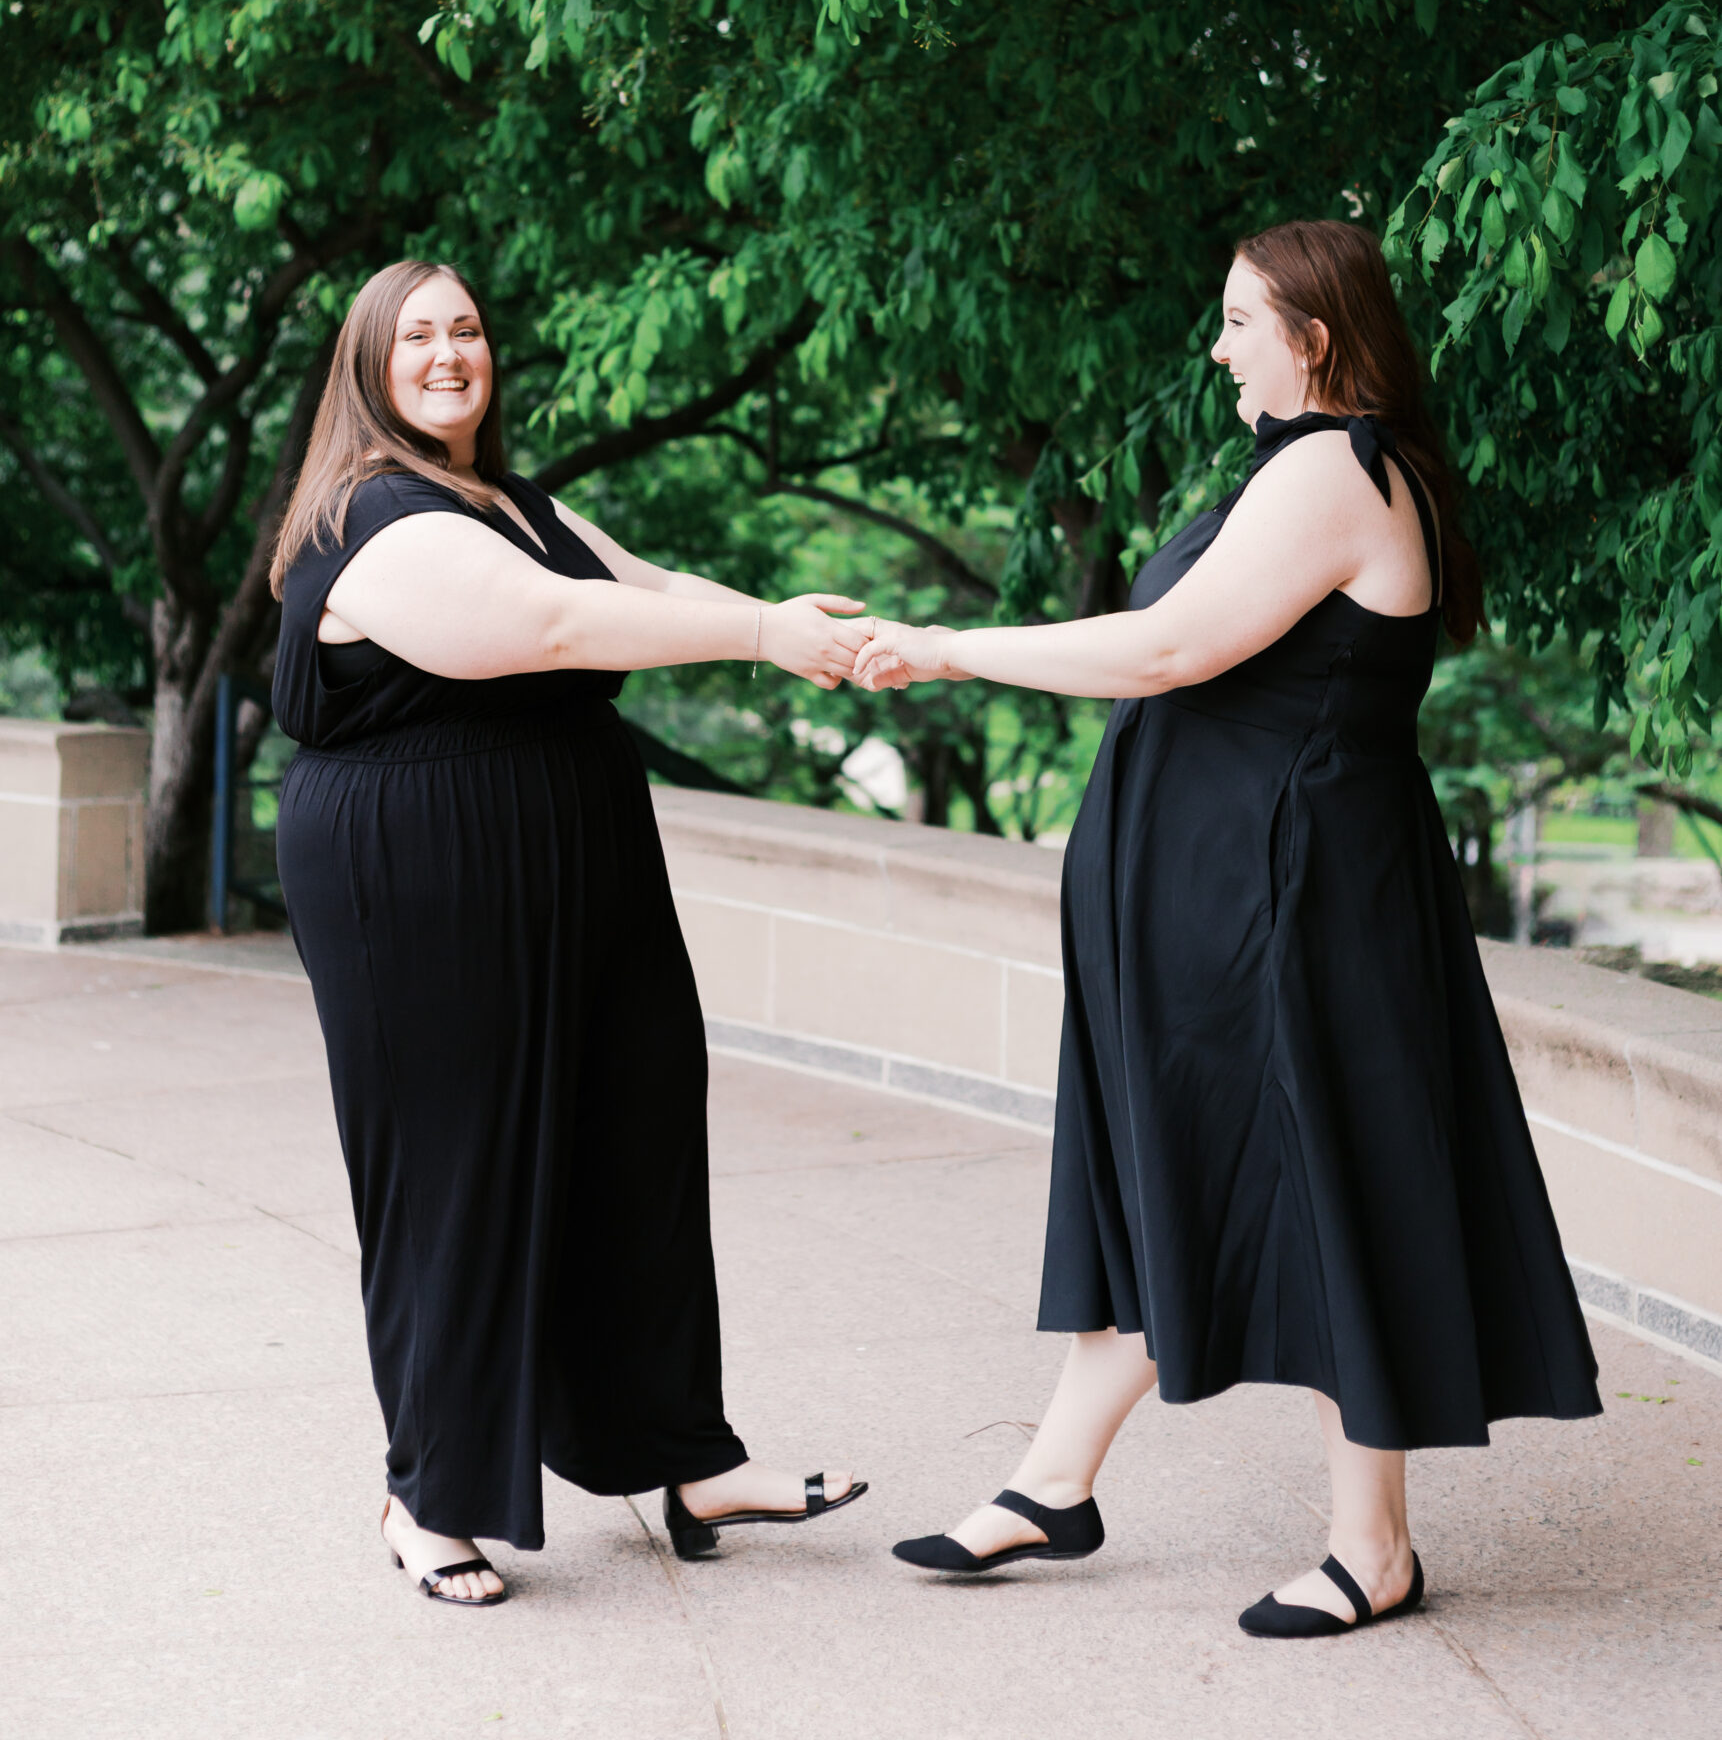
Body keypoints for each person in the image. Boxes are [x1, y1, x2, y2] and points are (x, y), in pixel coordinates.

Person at [855, 220, 1601, 1635]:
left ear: (1311, 336)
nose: (1217, 348)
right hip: (1228, 903)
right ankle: (1051, 1483)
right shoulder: (1295, 467)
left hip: (1292, 906)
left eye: (1238, 322)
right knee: (1172, 1165)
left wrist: (945, 647)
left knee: (1326, 1182)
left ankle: (1370, 1548)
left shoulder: (1335, 469)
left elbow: (1166, 651)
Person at [271, 259, 871, 1606]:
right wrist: (765, 638)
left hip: (576, 860)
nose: (447, 352)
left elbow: (644, 589)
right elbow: (550, 624)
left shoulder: (514, 502)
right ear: (368, 366)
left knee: (637, 1127)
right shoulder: (377, 513)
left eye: (468, 328)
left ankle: (682, 1458)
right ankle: (426, 1497)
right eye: (416, 334)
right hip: (420, 874)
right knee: (458, 1170)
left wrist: (811, 628)